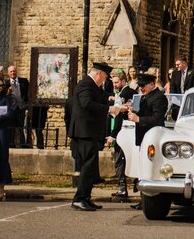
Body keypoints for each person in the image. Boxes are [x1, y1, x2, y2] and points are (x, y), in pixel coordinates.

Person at [68, 62, 124, 211]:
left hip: (89, 131)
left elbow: (98, 96)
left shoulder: (92, 86)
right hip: (84, 131)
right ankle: (79, 198)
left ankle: (85, 197)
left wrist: (110, 98)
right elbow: (87, 103)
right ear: (98, 73)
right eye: (105, 77)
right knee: (87, 165)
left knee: (91, 166)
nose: (104, 80)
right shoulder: (86, 84)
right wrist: (109, 109)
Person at [128, 73, 168, 210]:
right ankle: (143, 200)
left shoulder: (159, 98)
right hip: (144, 138)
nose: (141, 88)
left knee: (149, 170)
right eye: (139, 86)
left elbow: (156, 118)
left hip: (151, 140)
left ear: (152, 84)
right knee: (142, 170)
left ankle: (147, 200)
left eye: (143, 85)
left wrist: (138, 119)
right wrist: (133, 113)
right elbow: (145, 114)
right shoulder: (148, 97)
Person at [107, 70, 136, 201]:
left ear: (124, 81)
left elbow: (118, 116)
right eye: (113, 82)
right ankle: (130, 186)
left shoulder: (124, 93)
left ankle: (122, 189)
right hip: (128, 130)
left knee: (120, 160)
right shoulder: (128, 92)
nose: (114, 85)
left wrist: (113, 135)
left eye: (116, 82)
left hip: (123, 131)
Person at [6, 65, 29, 146]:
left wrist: (26, 105)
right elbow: (3, 97)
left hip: (21, 108)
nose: (13, 73)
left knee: (21, 127)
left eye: (14, 71)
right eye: (11, 71)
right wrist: (7, 93)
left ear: (16, 71)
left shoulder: (24, 81)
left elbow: (28, 94)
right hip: (11, 109)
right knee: (11, 128)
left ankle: (23, 145)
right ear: (8, 73)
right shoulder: (6, 83)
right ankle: (11, 145)